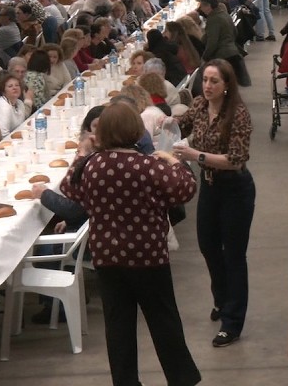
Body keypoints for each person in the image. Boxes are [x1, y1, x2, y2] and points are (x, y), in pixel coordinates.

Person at [61, 101, 200, 385]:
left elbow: (68, 189)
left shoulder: (91, 166)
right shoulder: (149, 165)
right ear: (135, 130)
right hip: (148, 256)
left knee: (118, 327)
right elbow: (186, 189)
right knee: (164, 321)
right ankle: (181, 379)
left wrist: (83, 152)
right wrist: (174, 161)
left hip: (107, 257)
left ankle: (126, 382)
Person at [172, 59, 255, 348]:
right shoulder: (198, 105)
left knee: (234, 255)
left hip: (235, 189)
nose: (207, 86)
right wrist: (166, 120)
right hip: (209, 186)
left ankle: (232, 322)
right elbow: (181, 124)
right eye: (205, 80)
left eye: (214, 81)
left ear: (227, 85)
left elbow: (235, 160)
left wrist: (195, 155)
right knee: (208, 246)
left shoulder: (238, 114)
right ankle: (222, 299)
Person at [196, 0, 248, 87]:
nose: (201, 9)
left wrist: (205, 57)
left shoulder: (213, 19)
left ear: (208, 6)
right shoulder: (224, 14)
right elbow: (235, 32)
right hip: (232, 52)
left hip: (222, 55)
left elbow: (212, 43)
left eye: (202, 6)